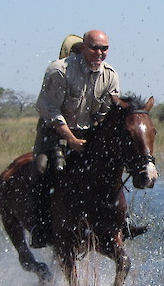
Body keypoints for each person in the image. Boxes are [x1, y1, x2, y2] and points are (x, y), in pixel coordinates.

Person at [30, 30, 145, 248]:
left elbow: (106, 112)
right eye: (94, 48)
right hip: (54, 132)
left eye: (104, 49)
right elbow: (50, 109)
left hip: (88, 133)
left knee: (112, 165)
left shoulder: (111, 75)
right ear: (83, 47)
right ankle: (40, 225)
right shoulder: (59, 71)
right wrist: (71, 139)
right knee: (42, 166)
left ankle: (123, 221)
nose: (99, 53)